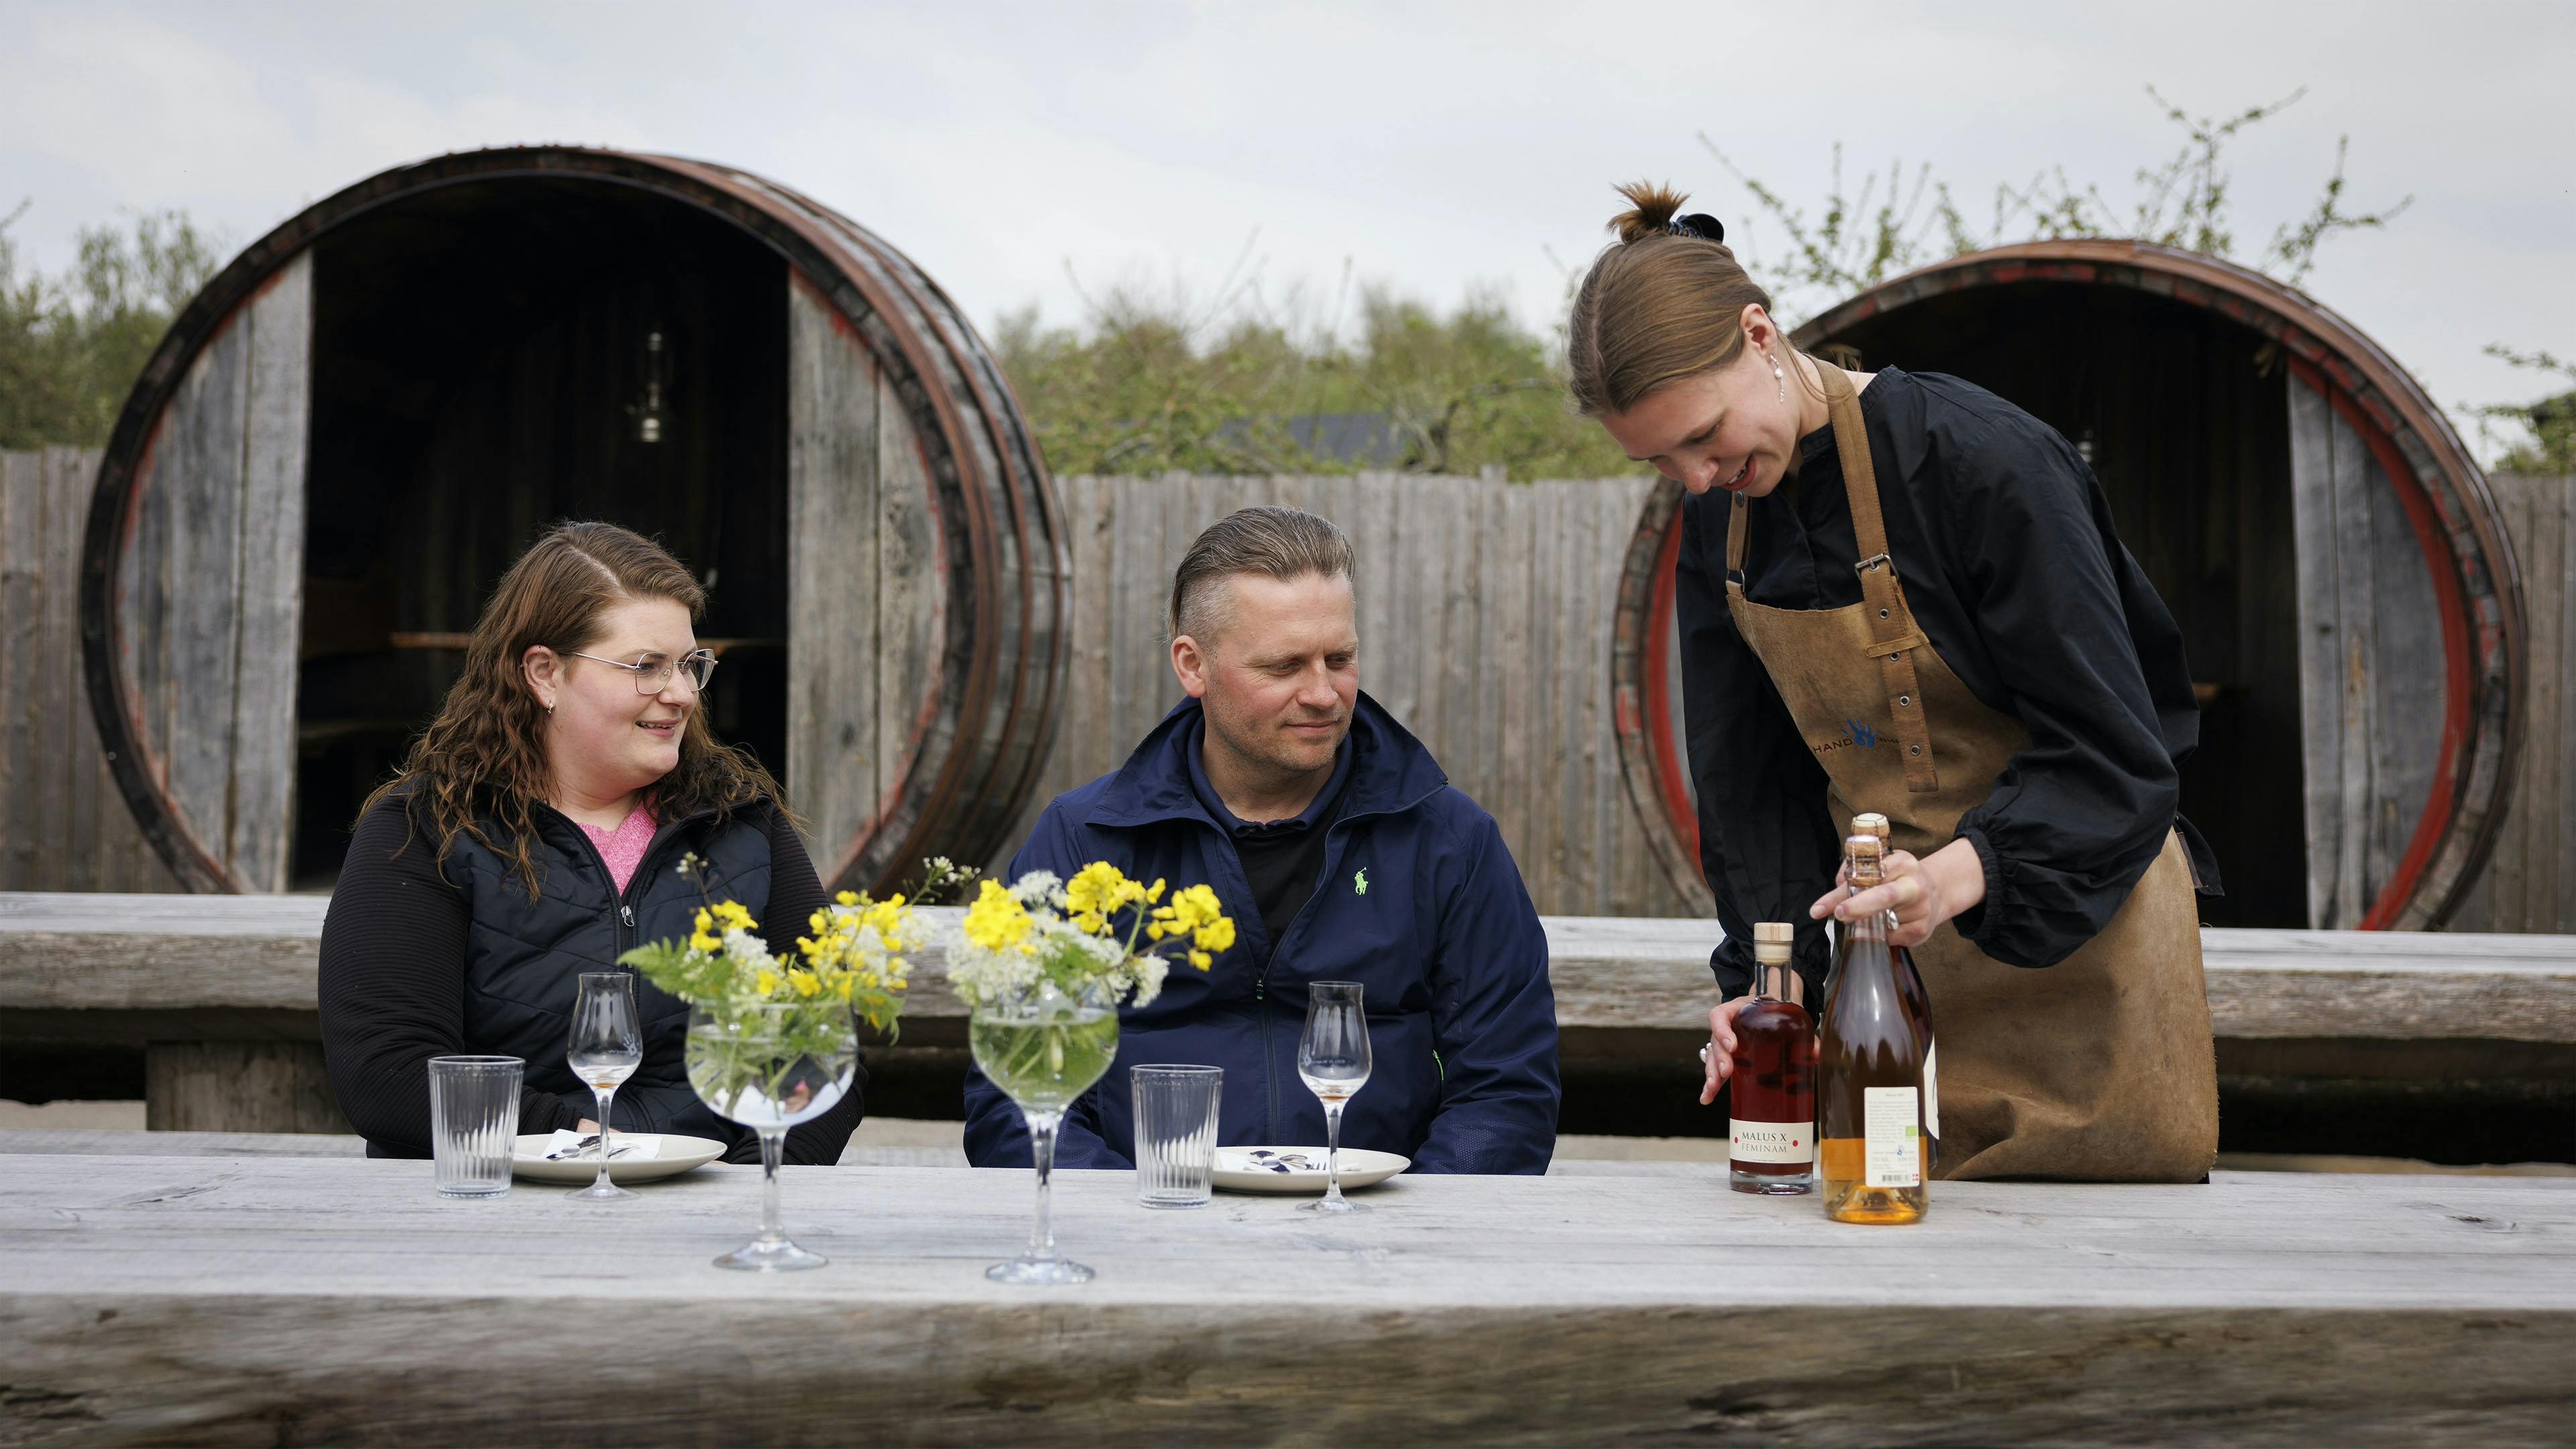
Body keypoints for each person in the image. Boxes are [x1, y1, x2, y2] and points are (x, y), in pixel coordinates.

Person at [1568, 185, 2220, 1182]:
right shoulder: (1721, 526)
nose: (1696, 477)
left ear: (1759, 333)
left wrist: (1958, 877)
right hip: (1886, 981)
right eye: (1660, 461)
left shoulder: (1983, 464)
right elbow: (1752, 791)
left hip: (2087, 959)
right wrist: (1767, 983)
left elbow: (2120, 754)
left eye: (1703, 435)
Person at [963, 506, 1560, 1173]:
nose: (1323, 694)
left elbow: (1507, 1092)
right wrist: (1134, 1229)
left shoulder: (1448, 840)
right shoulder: (1084, 843)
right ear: (1193, 667)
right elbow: (1014, 1096)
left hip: (1378, 1244)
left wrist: (1406, 1239)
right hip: (1143, 1240)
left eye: (1340, 659)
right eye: (1283, 667)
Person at [319, 521, 861, 1164]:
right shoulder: (427, 828)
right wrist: (592, 1146)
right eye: (646, 667)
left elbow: (822, 1050)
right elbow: (390, 1074)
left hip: (713, 1207)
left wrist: (742, 1192)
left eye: (691, 665)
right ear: (545, 674)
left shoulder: (742, 823)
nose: (683, 694)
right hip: (492, 1213)